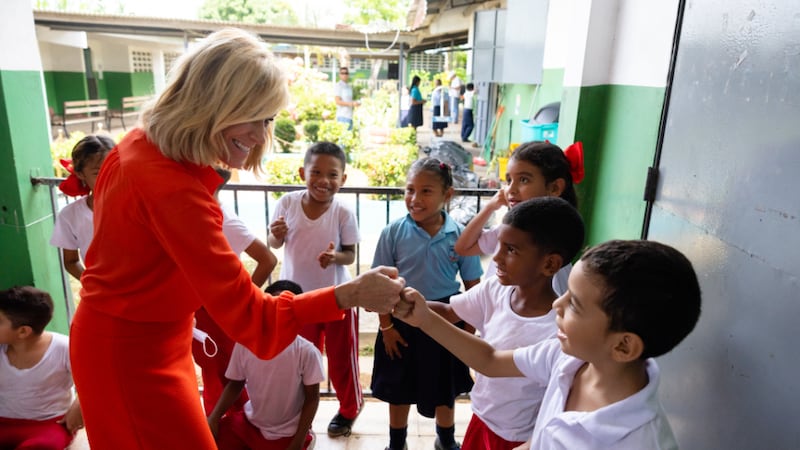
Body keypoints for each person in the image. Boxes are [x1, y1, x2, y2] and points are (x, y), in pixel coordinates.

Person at [70, 28, 405, 450]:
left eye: (269, 120)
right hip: (131, 356)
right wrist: (349, 293)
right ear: (216, 106)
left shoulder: (142, 143)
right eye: (257, 118)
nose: (263, 136)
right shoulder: (173, 188)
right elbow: (255, 321)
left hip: (141, 343)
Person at [395, 239, 703, 449]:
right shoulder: (570, 358)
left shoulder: (641, 441)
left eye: (576, 305)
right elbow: (490, 359)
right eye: (566, 293)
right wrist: (424, 318)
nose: (558, 306)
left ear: (623, 346)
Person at [429, 197, 584, 450]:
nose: (497, 258)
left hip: (519, 437)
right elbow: (449, 311)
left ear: (549, 264)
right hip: (481, 418)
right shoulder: (495, 291)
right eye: (499, 245)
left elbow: (491, 362)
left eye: (511, 250)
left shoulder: (559, 331)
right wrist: (400, 299)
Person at [371, 157, 484, 450]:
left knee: (443, 387)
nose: (415, 199)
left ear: (448, 195)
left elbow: (474, 288)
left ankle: (445, 440)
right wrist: (387, 329)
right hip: (401, 318)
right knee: (399, 386)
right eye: (410, 190)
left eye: (426, 191)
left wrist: (466, 333)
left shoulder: (460, 236)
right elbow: (380, 287)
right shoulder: (393, 232)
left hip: (446, 321)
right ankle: (397, 443)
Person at [268, 141, 362, 438]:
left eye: (333, 175)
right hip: (297, 299)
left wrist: (335, 257)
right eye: (316, 172)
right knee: (299, 358)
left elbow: (350, 254)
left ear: (343, 180)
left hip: (338, 297)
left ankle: (348, 410)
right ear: (302, 173)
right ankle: (297, 412)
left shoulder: (343, 212)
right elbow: (274, 244)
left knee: (340, 358)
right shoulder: (286, 203)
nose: (324, 180)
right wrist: (275, 235)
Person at [193, 167, 279, 416]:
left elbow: (267, 260)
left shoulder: (224, 219)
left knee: (226, 375)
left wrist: (243, 300)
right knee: (213, 372)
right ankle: (221, 429)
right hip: (203, 309)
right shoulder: (203, 214)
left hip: (219, 313)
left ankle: (228, 430)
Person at [454, 140, 584, 294]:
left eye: (524, 180)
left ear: (554, 188)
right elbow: (463, 248)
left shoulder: (552, 251)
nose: (511, 190)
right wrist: (490, 207)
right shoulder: (509, 230)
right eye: (509, 180)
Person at [208, 280, 323, 450]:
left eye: (285, 308)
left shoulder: (307, 351)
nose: (277, 313)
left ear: (297, 315)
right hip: (251, 424)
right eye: (272, 306)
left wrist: (297, 441)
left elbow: (312, 398)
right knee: (210, 438)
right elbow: (235, 383)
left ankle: (306, 439)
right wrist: (214, 417)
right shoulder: (246, 344)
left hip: (288, 432)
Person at [0, 286, 83, 450]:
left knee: (42, 447)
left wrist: (78, 405)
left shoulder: (64, 348)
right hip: (3, 421)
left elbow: (96, 381)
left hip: (49, 424)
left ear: (23, 331)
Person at [49, 134, 115, 280]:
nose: (108, 177)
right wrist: (92, 284)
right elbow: (71, 261)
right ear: (80, 174)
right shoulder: (70, 215)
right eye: (98, 173)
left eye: (113, 169)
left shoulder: (136, 205)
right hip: (104, 293)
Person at [334, 66, 359, 130]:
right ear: (339, 75)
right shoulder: (338, 86)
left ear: (348, 75)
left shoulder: (349, 86)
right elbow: (337, 101)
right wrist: (352, 104)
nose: (344, 75)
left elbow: (348, 100)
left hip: (349, 117)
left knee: (348, 138)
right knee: (342, 138)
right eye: (342, 73)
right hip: (342, 116)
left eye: (346, 73)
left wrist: (356, 103)